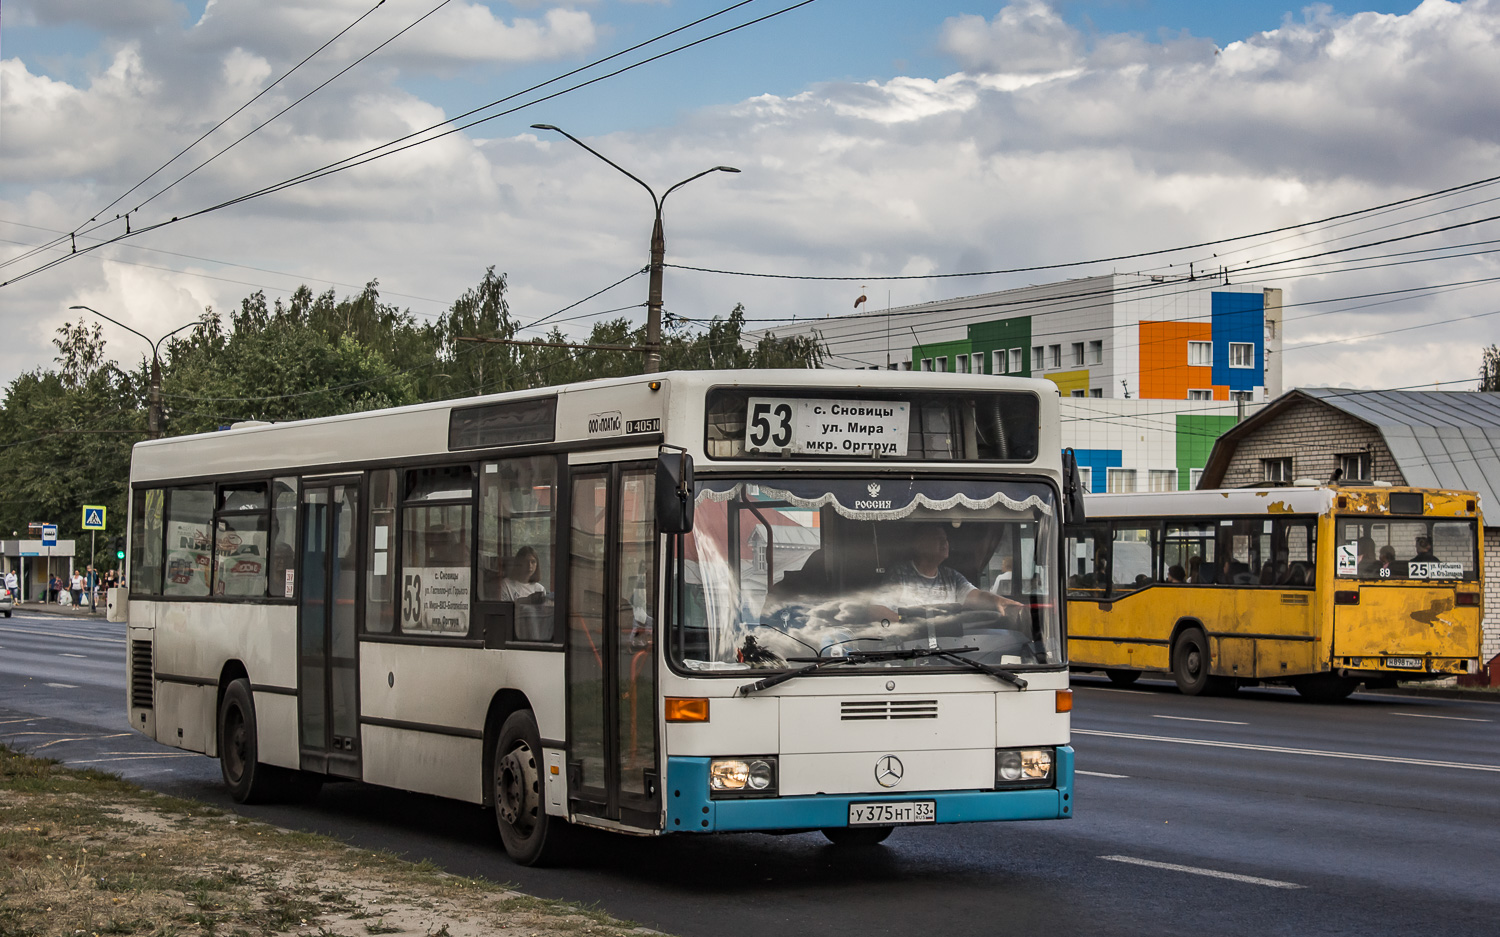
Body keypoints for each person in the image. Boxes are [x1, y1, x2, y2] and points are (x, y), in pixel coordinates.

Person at [881, 525, 1020, 614]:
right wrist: (913, 625)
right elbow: (877, 610)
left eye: (945, 539)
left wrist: (995, 600)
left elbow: (976, 596)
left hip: (948, 649)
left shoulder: (951, 576)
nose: (945, 543)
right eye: (938, 539)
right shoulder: (899, 574)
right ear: (919, 544)